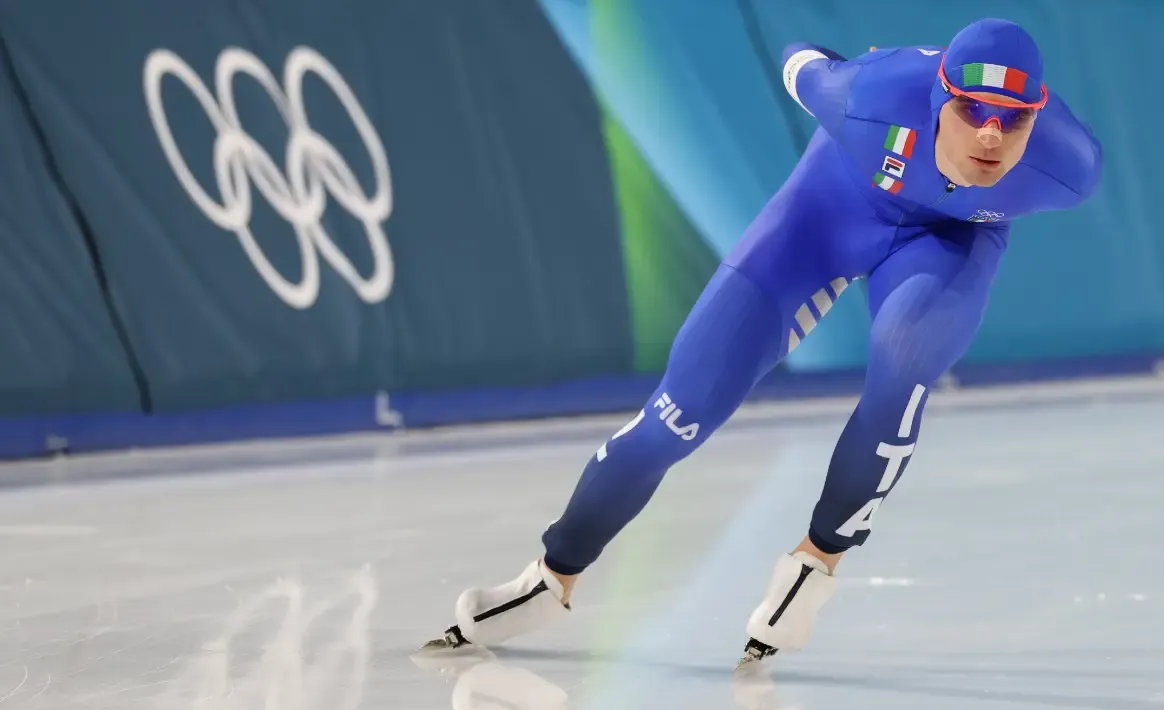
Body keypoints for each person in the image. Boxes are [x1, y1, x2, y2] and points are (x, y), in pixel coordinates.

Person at [426, 18, 1102, 664]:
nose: (990, 135)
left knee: (904, 366)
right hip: (828, 211)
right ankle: (551, 577)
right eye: (973, 110)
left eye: (1013, 118)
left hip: (949, 241)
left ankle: (817, 561)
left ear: (1037, 116)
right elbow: (799, 58)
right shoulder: (866, 98)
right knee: (678, 413)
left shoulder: (1068, 166)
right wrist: (835, 61)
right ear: (937, 99)